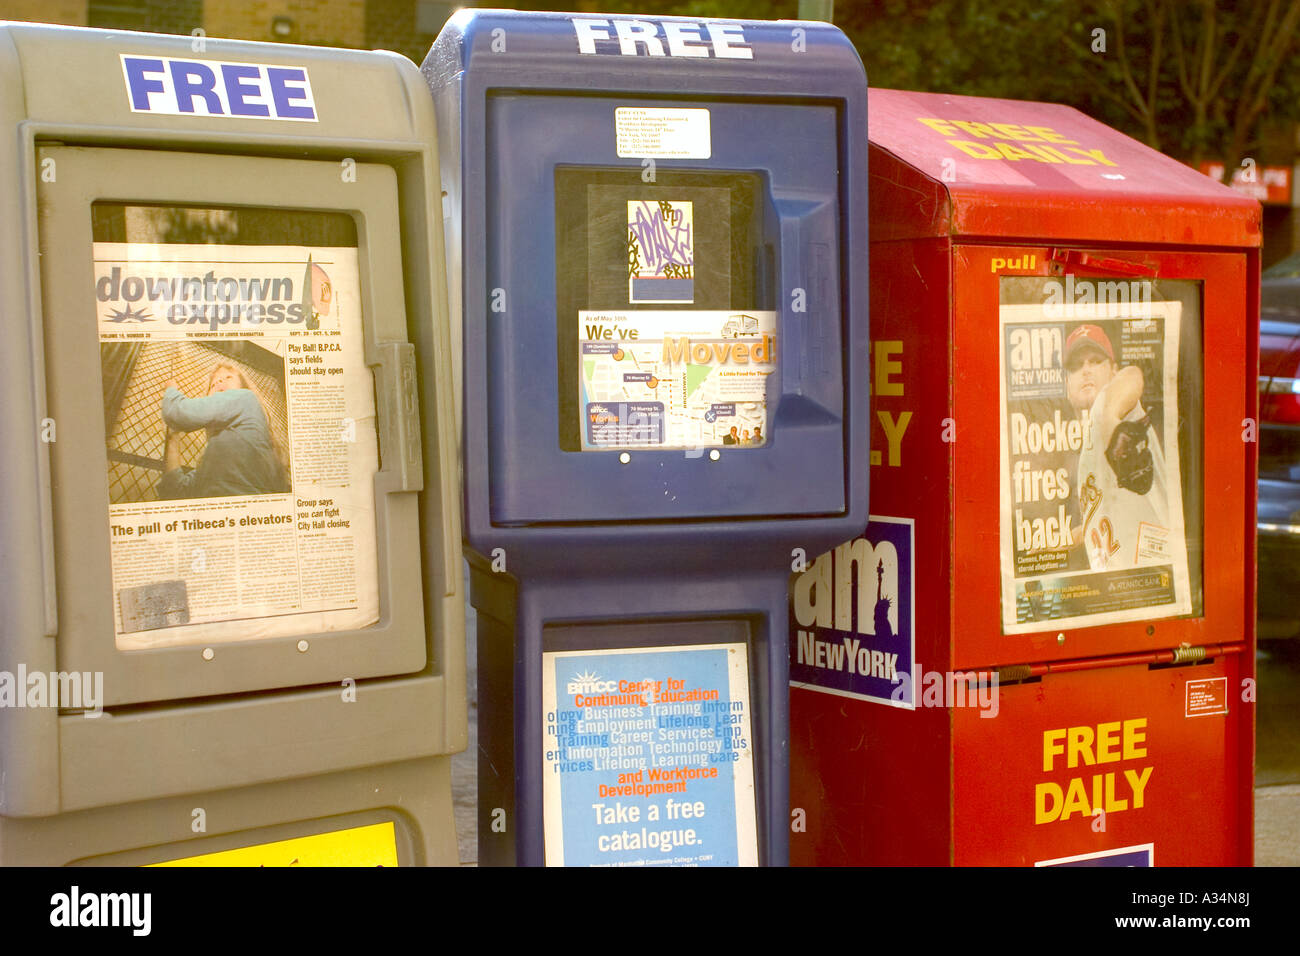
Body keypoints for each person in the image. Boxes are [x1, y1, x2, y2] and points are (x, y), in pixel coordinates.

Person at [1065, 324, 1170, 572]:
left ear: (1113, 370)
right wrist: (1047, 544)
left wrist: (1113, 423)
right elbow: (1098, 523)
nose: (1086, 369)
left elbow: (1132, 376)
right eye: (1076, 365)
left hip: (1154, 576)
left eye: (1096, 361)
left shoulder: (1112, 404)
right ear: (1066, 384)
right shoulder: (1083, 446)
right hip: (1123, 585)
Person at [158, 363, 290, 499]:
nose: (219, 381)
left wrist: (171, 389)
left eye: (228, 377)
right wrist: (172, 438)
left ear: (242, 387)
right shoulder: (213, 460)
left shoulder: (245, 397)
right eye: (213, 384)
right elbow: (175, 491)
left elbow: (177, 413)